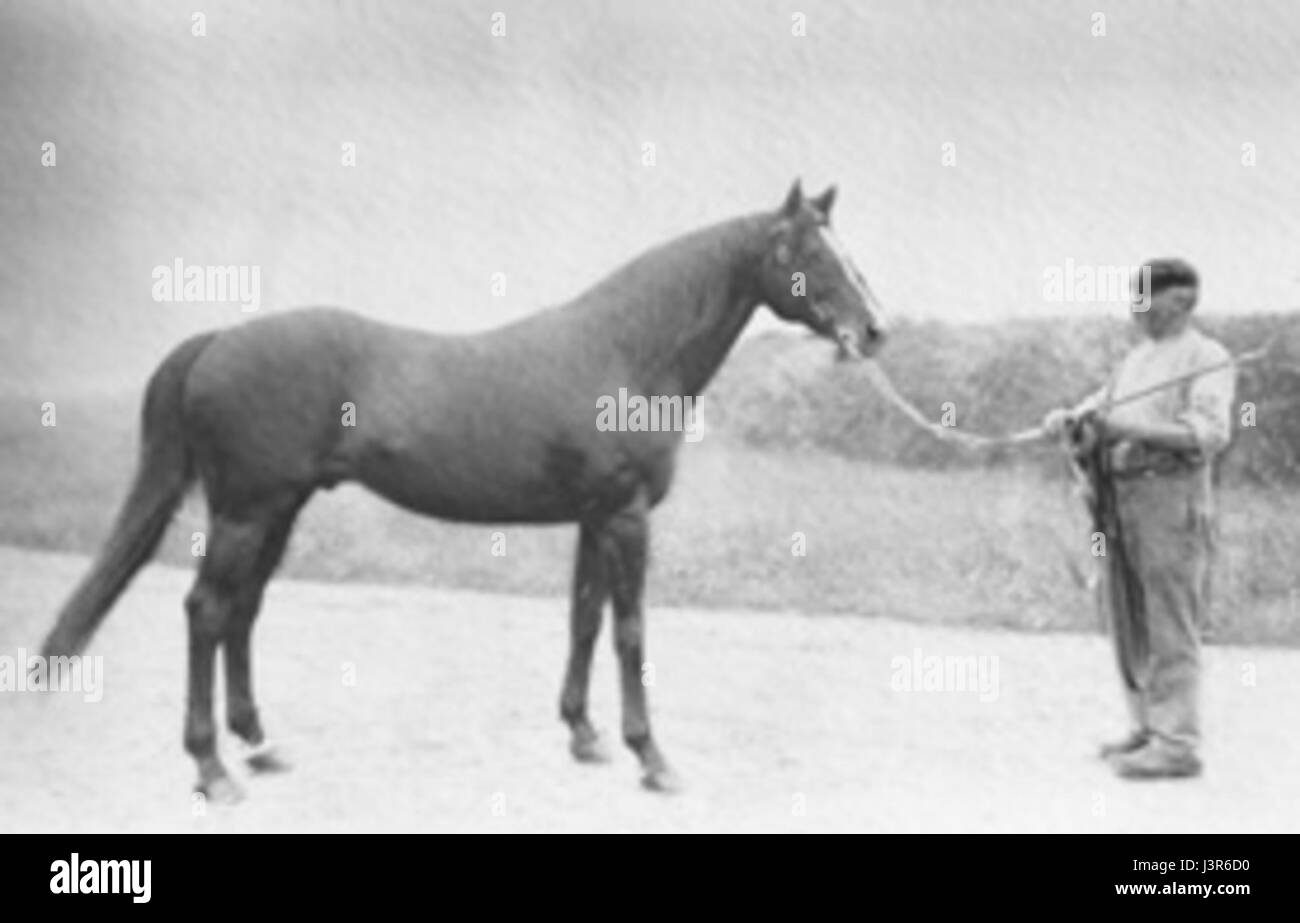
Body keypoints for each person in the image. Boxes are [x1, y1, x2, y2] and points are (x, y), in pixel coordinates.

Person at [1043, 259, 1235, 779]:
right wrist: (1071, 418)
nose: (1135, 309)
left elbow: (1208, 435)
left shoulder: (1207, 357)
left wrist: (1122, 427)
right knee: (1129, 615)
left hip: (1170, 500)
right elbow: (1101, 408)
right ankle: (1148, 726)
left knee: (1171, 621)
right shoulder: (1136, 359)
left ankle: (1177, 744)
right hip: (1120, 499)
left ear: (1180, 302)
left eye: (1143, 299)